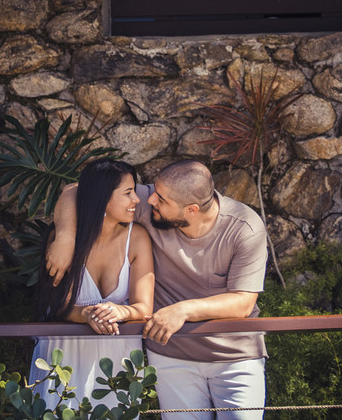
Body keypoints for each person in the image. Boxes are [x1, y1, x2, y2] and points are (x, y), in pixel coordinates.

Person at [47, 160, 268, 420]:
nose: (149, 200)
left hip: (234, 357)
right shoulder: (150, 205)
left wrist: (183, 310)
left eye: (160, 199)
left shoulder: (244, 228)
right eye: (153, 190)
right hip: (170, 353)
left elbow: (242, 303)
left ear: (191, 210)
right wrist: (64, 236)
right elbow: (78, 190)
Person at [30, 159, 155, 412]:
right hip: (65, 353)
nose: (137, 200)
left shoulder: (137, 237)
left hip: (116, 356)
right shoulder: (64, 241)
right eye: (128, 193)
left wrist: (122, 311)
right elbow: (55, 304)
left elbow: (144, 306)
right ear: (102, 198)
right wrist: (85, 314)